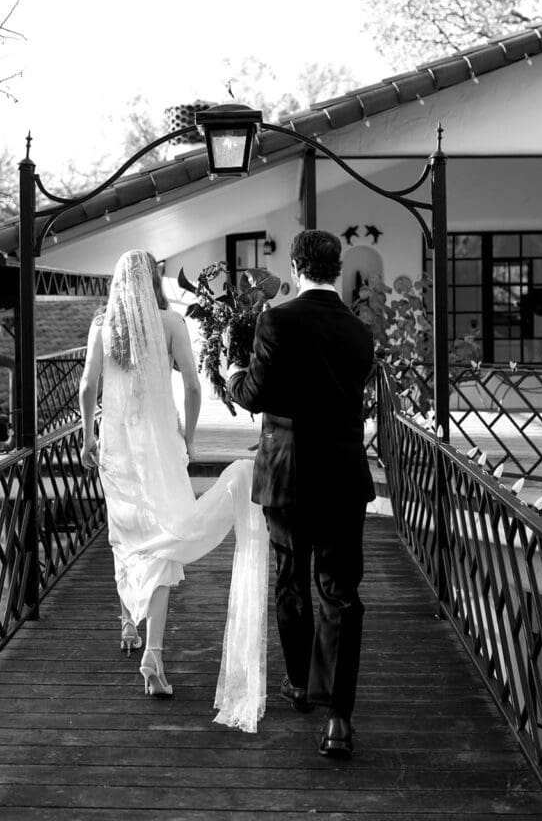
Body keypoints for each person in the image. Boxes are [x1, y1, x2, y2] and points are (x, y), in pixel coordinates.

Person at [79, 249, 269, 728]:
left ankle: (128, 623)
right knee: (162, 540)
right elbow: (192, 385)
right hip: (160, 445)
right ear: (155, 281)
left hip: (116, 448)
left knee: (126, 532)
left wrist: (87, 436)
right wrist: (187, 438)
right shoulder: (170, 323)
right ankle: (154, 655)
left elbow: (86, 388)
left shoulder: (102, 325)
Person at [227, 229, 375, 759]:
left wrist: (233, 374)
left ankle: (298, 683)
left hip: (288, 474)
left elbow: (257, 394)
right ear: (337, 270)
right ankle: (339, 720)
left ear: (293, 266)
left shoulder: (277, 320)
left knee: (292, 580)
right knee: (341, 591)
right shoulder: (361, 332)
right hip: (343, 476)